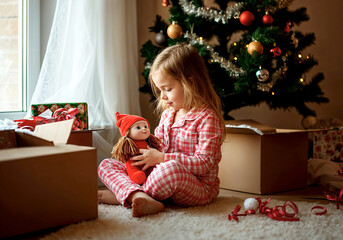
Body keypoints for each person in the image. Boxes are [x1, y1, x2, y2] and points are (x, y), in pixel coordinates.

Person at [98, 43, 225, 217]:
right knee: (108, 164)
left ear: (190, 82)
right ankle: (138, 195)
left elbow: (204, 163)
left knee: (170, 169)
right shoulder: (168, 114)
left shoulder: (207, 118)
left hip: (198, 187)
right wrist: (138, 152)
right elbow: (156, 145)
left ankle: (125, 194)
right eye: (160, 90)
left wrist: (163, 158)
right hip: (159, 177)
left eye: (167, 89)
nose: (162, 96)